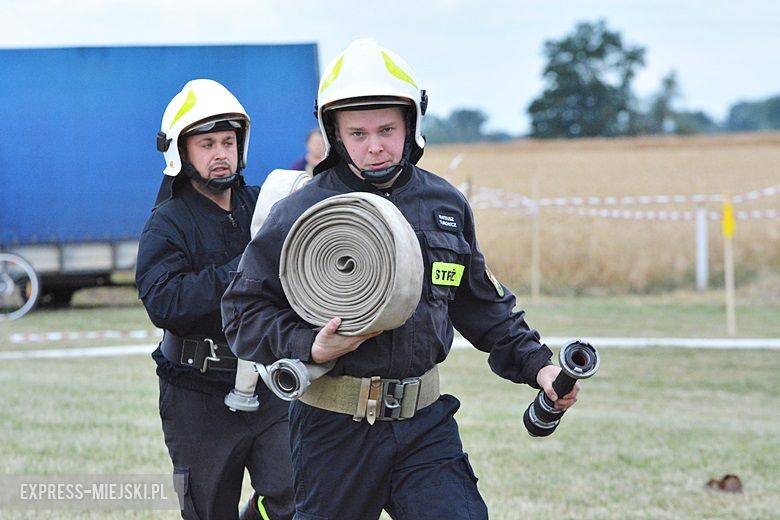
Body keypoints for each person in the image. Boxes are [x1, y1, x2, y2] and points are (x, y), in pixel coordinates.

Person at [221, 39, 580, 519]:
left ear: (412, 124)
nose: (374, 147)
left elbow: (481, 305)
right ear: (335, 133)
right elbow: (242, 314)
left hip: (424, 426)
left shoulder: (445, 206)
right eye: (358, 133)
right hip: (333, 431)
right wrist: (309, 345)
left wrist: (541, 367)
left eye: (387, 129)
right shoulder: (301, 213)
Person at [135, 78, 294, 520]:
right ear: (180, 152)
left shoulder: (267, 206)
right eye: (207, 144)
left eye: (228, 141)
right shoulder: (166, 224)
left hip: (269, 384)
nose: (221, 153)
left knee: (293, 496)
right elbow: (165, 302)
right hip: (195, 395)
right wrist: (245, 270)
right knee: (208, 511)